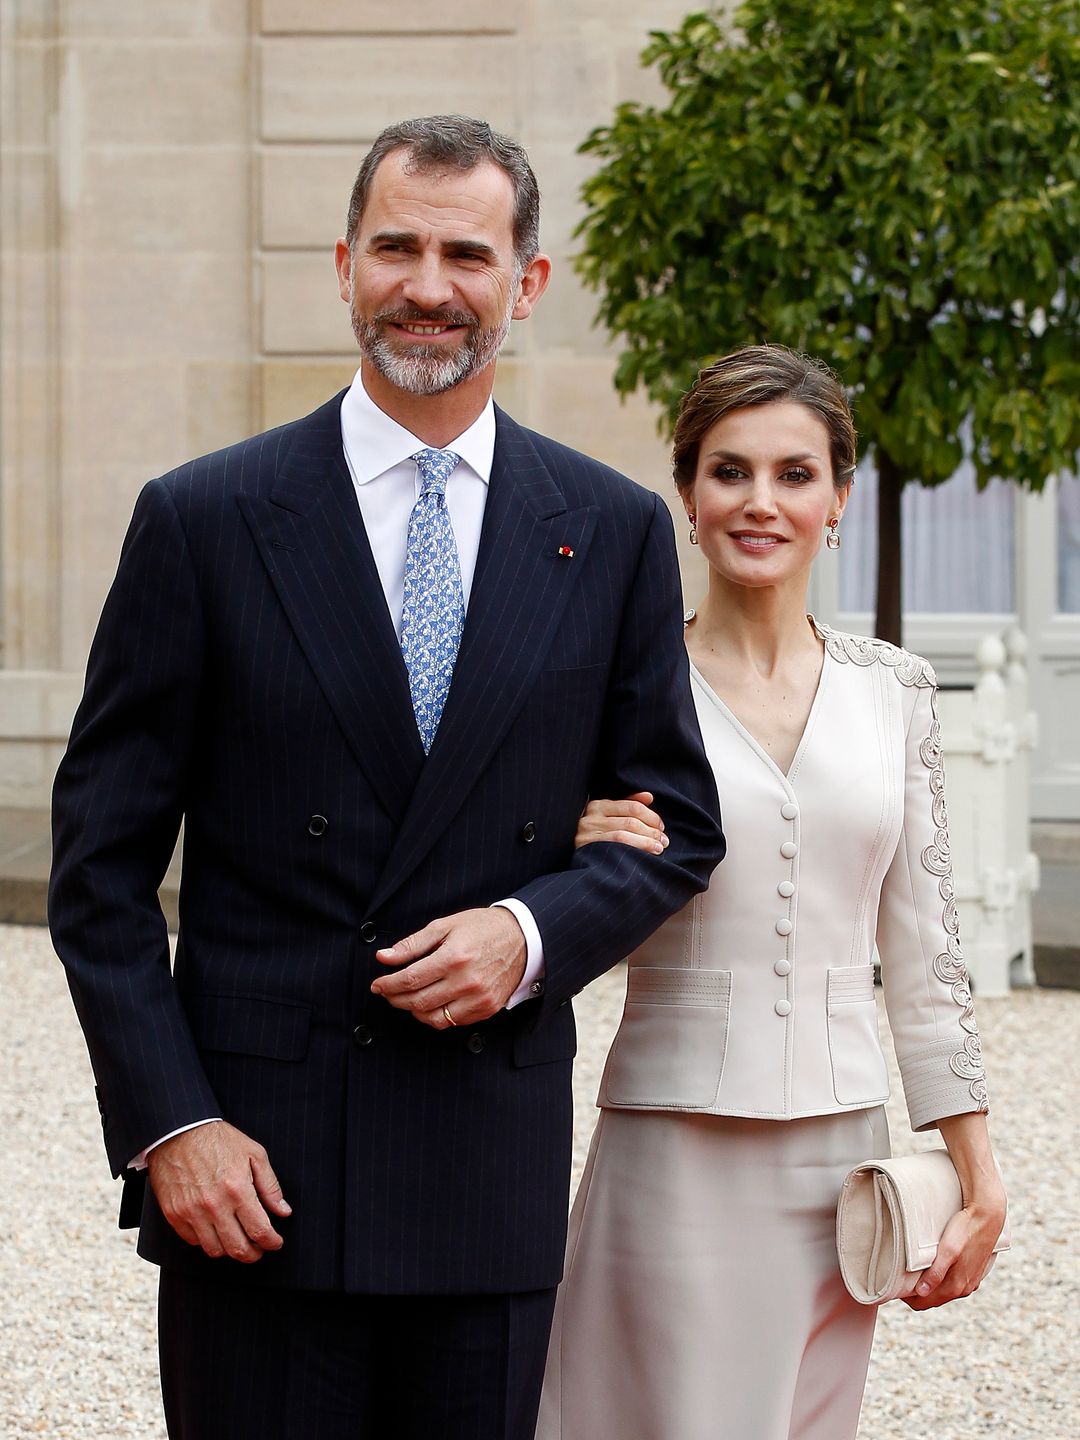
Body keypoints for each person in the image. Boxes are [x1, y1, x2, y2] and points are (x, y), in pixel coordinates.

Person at [48, 115, 725, 1440]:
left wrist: (530, 933)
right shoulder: (206, 518)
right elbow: (98, 871)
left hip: (484, 1165)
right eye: (399, 248)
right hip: (253, 1173)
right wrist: (171, 1123)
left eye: (467, 253)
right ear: (344, 265)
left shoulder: (613, 530)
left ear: (526, 283)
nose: (430, 286)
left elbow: (674, 823)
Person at [536, 345, 1008, 1440]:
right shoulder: (623, 687)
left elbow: (928, 956)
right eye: (729, 471)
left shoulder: (897, 690)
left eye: (795, 474)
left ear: (839, 498)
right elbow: (532, 901)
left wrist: (979, 1178)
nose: (761, 501)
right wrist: (564, 841)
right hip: (672, 1152)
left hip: (847, 1167)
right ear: (688, 496)